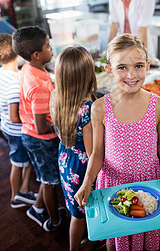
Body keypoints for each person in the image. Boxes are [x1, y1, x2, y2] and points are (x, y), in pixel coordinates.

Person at [74, 34, 160, 251]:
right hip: (113, 184)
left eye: (138, 66)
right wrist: (88, 182)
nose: (132, 75)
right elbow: (97, 153)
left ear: (148, 65)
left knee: (144, 235)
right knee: (116, 241)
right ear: (109, 70)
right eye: (122, 68)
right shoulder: (99, 108)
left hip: (148, 185)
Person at [12, 26, 66, 231]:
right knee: (51, 182)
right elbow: (43, 127)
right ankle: (53, 221)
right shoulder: (39, 85)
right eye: (48, 46)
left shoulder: (29, 68)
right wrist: (63, 122)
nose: (51, 49)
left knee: (46, 178)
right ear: (36, 55)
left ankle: (36, 208)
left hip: (31, 136)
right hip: (41, 140)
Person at [53, 46, 97, 251]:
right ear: (87, 76)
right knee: (80, 213)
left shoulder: (56, 97)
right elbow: (91, 153)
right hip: (82, 167)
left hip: (65, 159)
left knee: (75, 209)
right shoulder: (88, 109)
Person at [0, 33, 37, 208]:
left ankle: (22, 190)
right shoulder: (14, 82)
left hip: (6, 127)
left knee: (25, 161)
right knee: (18, 163)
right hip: (17, 131)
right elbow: (15, 117)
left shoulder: (2, 74)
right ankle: (16, 197)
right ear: (17, 51)